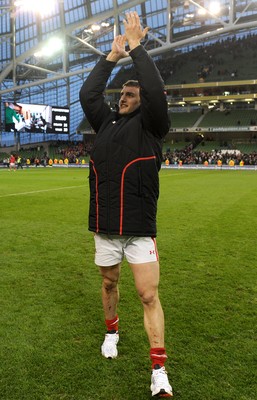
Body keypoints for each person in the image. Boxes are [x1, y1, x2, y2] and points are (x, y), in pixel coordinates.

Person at [79, 11, 172, 398]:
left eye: (130, 95)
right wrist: (110, 58)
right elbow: (88, 95)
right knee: (108, 282)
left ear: (142, 102)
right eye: (122, 93)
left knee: (148, 295)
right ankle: (112, 332)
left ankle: (159, 370)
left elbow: (153, 89)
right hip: (104, 225)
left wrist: (136, 47)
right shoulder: (105, 123)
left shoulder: (152, 126)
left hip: (138, 229)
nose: (123, 97)